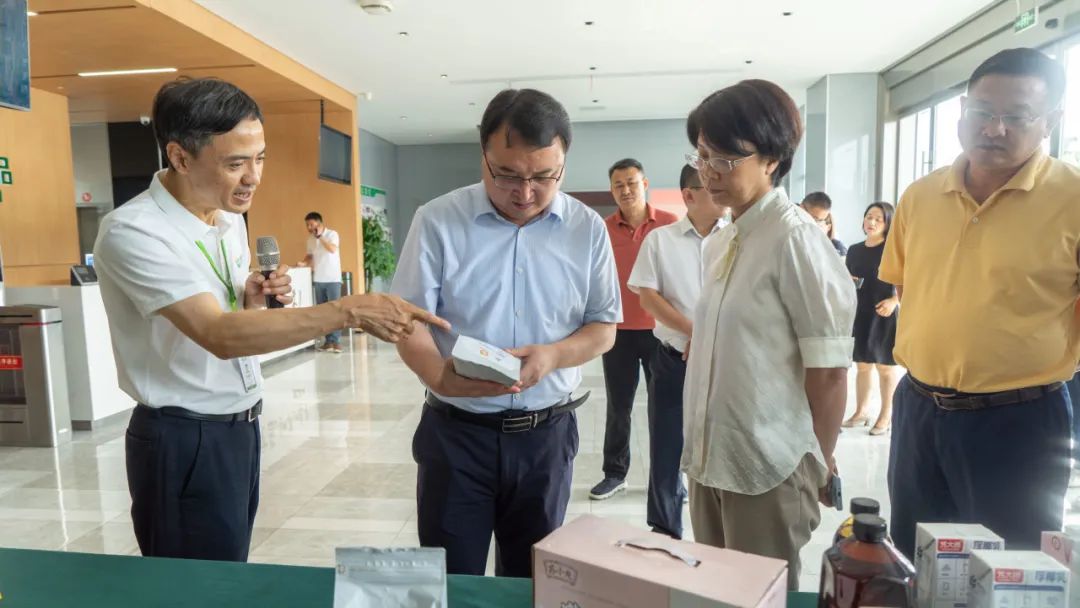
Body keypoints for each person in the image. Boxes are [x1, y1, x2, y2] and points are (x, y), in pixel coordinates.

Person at [93, 77, 448, 562]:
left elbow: (229, 321)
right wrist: (346, 309)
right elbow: (217, 333)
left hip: (239, 426)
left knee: (231, 568)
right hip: (183, 436)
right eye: (235, 163)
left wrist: (252, 301)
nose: (254, 177)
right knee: (194, 586)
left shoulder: (226, 221)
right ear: (179, 157)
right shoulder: (134, 231)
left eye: (260, 158)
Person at [391, 88, 621, 577]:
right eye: (508, 175)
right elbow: (408, 321)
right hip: (457, 435)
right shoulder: (438, 220)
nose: (525, 192)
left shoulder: (587, 229)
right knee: (453, 579)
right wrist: (440, 376)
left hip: (546, 438)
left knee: (531, 583)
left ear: (563, 163)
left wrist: (554, 356)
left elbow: (604, 327)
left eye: (544, 177)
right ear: (484, 156)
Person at [880, 48, 1079, 559]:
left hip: (1020, 422)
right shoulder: (920, 196)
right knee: (915, 558)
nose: (994, 129)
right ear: (962, 109)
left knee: (1011, 566)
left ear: (1051, 121)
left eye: (1017, 117)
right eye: (982, 112)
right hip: (919, 410)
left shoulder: (1072, 199)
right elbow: (906, 288)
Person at [680, 79, 857, 589]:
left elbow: (828, 371)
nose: (708, 172)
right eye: (702, 156)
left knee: (758, 595)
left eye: (725, 159)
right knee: (714, 593)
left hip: (768, 467)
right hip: (710, 459)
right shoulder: (722, 241)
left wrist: (819, 463)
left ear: (772, 159)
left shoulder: (795, 239)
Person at [625, 164, 728, 539]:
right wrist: (694, 332)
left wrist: (711, 338)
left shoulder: (736, 238)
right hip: (674, 360)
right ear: (689, 195)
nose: (722, 190)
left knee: (722, 445)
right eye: (712, 185)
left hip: (726, 362)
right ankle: (665, 529)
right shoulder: (661, 240)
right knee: (667, 446)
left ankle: (719, 531)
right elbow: (647, 295)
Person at [591, 159, 678, 501]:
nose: (625, 190)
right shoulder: (603, 229)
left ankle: (667, 477)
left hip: (661, 331)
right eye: (618, 185)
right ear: (612, 190)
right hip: (618, 332)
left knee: (665, 407)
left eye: (631, 182)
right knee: (619, 406)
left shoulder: (669, 225)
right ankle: (614, 474)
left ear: (645, 184)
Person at [843, 202, 902, 436]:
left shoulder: (893, 249)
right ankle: (861, 412)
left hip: (884, 313)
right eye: (869, 216)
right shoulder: (854, 249)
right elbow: (847, 279)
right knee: (863, 366)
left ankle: (886, 415)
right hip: (860, 313)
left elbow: (908, 280)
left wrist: (894, 301)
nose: (872, 222)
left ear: (888, 223)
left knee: (885, 368)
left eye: (879, 219)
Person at [300, 211, 344, 353]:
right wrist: (303, 263)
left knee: (335, 311)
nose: (309, 227)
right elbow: (310, 256)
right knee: (324, 312)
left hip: (333, 279)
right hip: (318, 279)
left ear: (319, 224)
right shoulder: (310, 240)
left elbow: (332, 249)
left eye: (311, 224)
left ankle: (336, 342)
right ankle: (328, 342)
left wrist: (320, 237)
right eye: (307, 225)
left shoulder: (332, 234)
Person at [800, 191, 847, 256]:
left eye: (820, 221)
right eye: (814, 219)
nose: (816, 225)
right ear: (802, 208)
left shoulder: (836, 248)